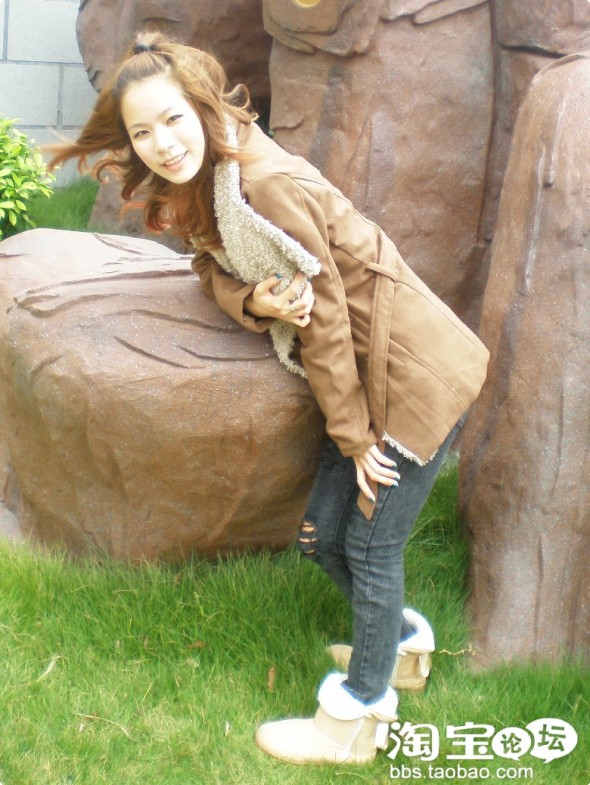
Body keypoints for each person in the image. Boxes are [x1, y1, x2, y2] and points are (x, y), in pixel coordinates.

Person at [49, 31, 489, 766]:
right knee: (319, 537)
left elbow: (327, 317)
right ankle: (399, 648)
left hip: (414, 376)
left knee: (370, 546)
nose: (162, 143)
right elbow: (208, 268)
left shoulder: (263, 183)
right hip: (364, 377)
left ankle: (357, 717)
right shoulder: (209, 181)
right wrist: (257, 299)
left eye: (173, 119)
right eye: (142, 131)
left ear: (203, 106)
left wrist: (356, 440)